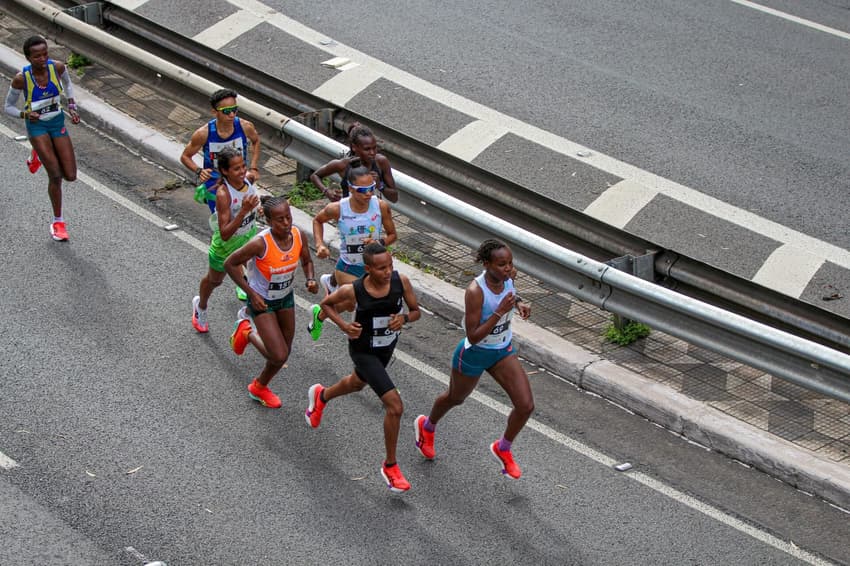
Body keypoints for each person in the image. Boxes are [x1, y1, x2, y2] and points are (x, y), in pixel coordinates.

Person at [304, 242, 421, 492]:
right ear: (367, 269)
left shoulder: (402, 283)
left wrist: (404, 318)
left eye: (390, 265)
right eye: (381, 268)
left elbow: (416, 312)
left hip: (386, 348)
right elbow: (326, 304)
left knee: (357, 383)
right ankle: (391, 467)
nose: (387, 272)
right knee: (395, 406)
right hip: (363, 350)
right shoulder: (353, 290)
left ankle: (321, 396)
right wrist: (344, 325)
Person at [414, 239, 533, 479]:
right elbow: (474, 336)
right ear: (487, 264)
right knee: (455, 398)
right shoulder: (475, 292)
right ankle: (427, 426)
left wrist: (519, 303)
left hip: (502, 351)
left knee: (526, 405)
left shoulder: (509, 277)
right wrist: (500, 311)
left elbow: (511, 292)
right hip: (474, 353)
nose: (508, 268)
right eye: (502, 264)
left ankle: (503, 448)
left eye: (510, 263)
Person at [225, 196, 319, 408]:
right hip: (262, 302)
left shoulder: (298, 235)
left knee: (284, 352)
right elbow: (230, 264)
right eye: (279, 220)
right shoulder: (260, 243)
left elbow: (307, 261)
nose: (286, 223)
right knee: (279, 355)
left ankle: (259, 387)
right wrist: (251, 293)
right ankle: (247, 331)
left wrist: (311, 279)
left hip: (285, 298)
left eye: (288, 217)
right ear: (268, 221)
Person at [307, 165, 397, 340]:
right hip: (348, 266)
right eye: (362, 190)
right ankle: (363, 342)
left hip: (375, 267)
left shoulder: (380, 207)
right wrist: (320, 245)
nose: (368, 194)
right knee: (361, 300)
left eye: (371, 188)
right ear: (350, 189)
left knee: (349, 304)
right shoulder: (338, 208)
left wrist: (379, 242)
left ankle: (319, 314)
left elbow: (393, 235)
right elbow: (318, 220)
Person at [4, 35, 81, 241]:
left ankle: (37, 152)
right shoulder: (22, 78)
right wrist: (25, 114)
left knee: (71, 175)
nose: (42, 59)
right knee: (55, 176)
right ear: (29, 58)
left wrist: (72, 106)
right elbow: (8, 107)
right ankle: (58, 222)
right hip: (37, 127)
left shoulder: (57, 68)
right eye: (37, 56)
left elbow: (68, 85)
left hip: (56, 123)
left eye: (45, 54)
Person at [309, 123, 398, 295]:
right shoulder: (343, 165)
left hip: (373, 214)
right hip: (349, 215)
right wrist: (326, 191)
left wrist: (379, 185)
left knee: (368, 257)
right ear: (354, 148)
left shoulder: (380, 162)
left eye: (374, 148)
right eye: (367, 149)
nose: (372, 153)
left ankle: (332, 282)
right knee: (354, 254)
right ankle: (339, 286)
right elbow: (315, 175)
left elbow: (394, 195)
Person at [191, 147, 259, 333]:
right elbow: (225, 233)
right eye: (236, 169)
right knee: (215, 281)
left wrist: (258, 210)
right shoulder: (224, 195)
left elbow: (253, 205)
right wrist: (244, 211)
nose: (242, 171)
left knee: (259, 279)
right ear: (225, 171)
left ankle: (247, 315)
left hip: (249, 239)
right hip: (226, 247)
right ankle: (201, 307)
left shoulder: (248, 180)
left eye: (243, 166)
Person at [180, 88, 262, 214]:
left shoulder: (245, 126)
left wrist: (254, 167)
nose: (232, 115)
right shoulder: (204, 133)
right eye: (227, 111)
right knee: (223, 224)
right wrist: (199, 171)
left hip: (240, 182)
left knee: (244, 221)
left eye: (234, 110)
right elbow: (185, 156)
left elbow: (256, 141)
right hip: (216, 186)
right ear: (214, 112)